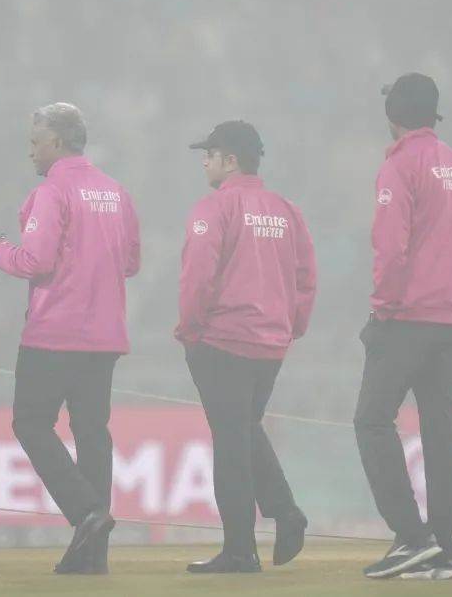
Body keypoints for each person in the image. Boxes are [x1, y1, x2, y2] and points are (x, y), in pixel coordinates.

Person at [0, 102, 141, 574]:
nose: (31, 151)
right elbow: (131, 262)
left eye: (35, 142)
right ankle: (92, 554)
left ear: (55, 142)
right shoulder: (116, 191)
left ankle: (86, 511)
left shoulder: (52, 191)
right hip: (105, 335)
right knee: (92, 433)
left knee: (30, 423)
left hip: (54, 333)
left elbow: (35, 261)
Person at [176, 120, 316, 574]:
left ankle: (241, 549)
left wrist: (190, 327)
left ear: (230, 160)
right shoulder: (286, 210)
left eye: (210, 153)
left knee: (231, 444)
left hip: (223, 339)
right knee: (243, 430)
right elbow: (306, 276)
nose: (204, 161)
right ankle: (285, 513)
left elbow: (198, 274)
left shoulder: (214, 207)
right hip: (270, 344)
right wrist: (291, 326)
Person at [354, 74, 452, 581]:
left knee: (371, 421)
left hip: (407, 316)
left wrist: (382, 307)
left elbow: (390, 247)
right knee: (440, 430)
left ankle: (411, 537)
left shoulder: (400, 165)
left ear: (393, 115)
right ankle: (443, 550)